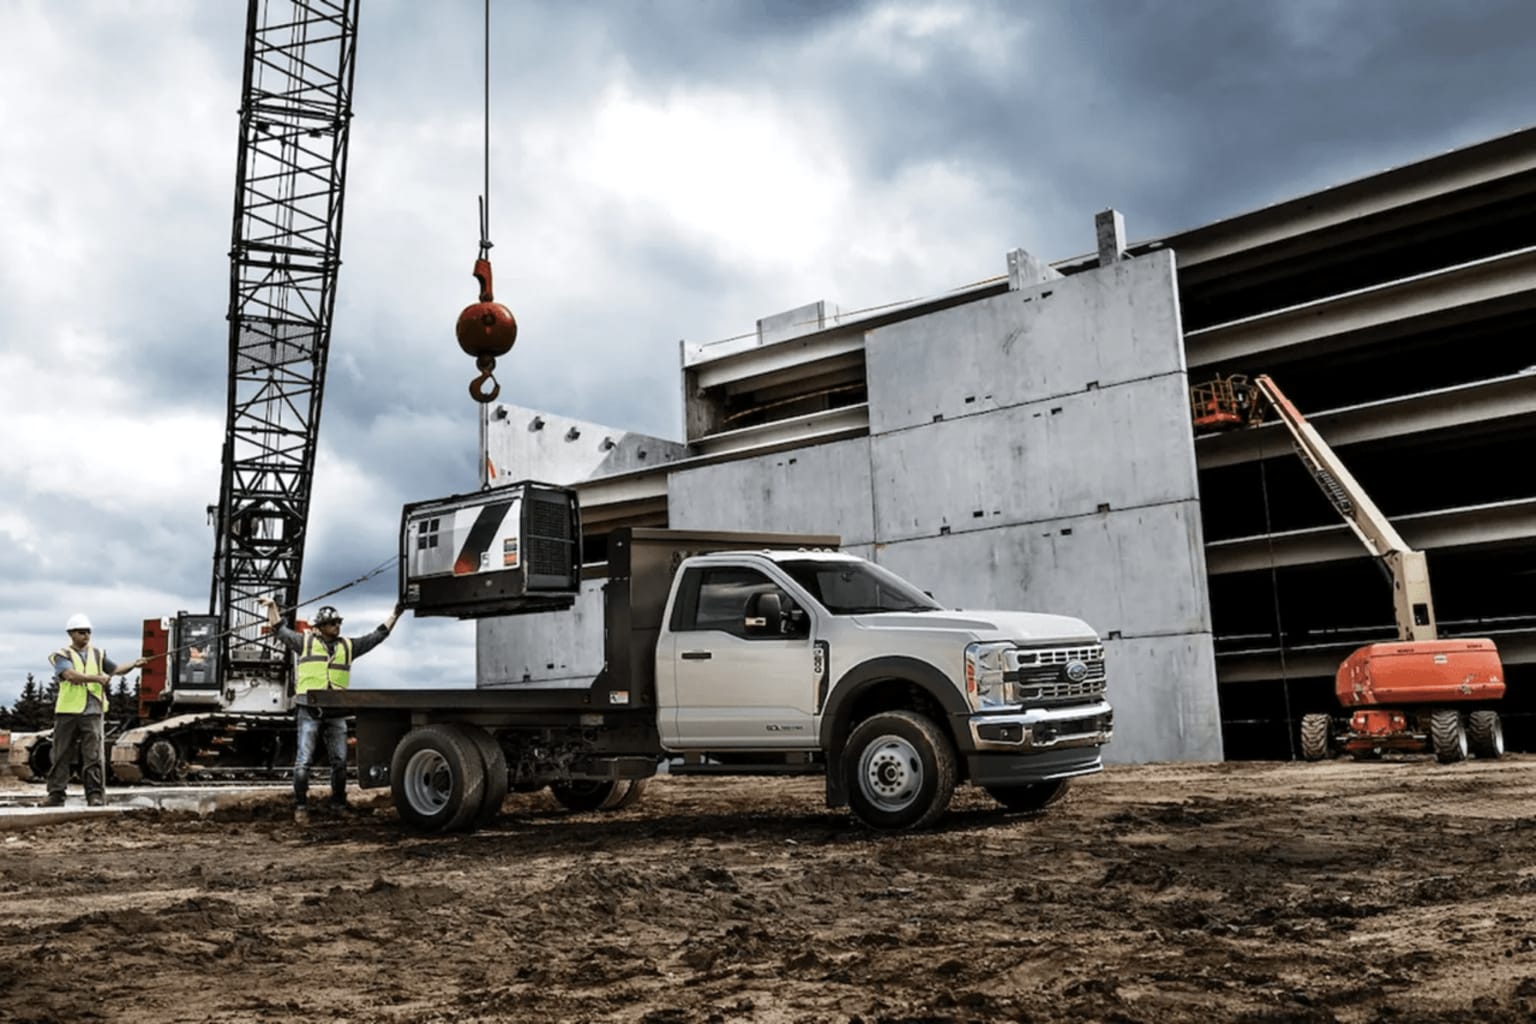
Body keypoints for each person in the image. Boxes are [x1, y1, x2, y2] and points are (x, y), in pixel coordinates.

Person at [259, 596, 401, 824]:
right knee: (303, 761)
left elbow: (376, 637)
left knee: (340, 762)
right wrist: (272, 608)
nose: (337, 626)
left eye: (338, 622)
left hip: (336, 711)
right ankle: (301, 806)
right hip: (309, 709)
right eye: (333, 623)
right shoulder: (303, 642)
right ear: (321, 627)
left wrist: (395, 615)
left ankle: (338, 803)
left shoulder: (348, 646)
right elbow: (279, 630)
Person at [40, 613, 145, 808]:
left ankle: (95, 796)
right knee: (61, 754)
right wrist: (97, 678)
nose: (86, 635)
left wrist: (134, 664)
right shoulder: (62, 655)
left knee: (93, 756)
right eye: (82, 632)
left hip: (93, 711)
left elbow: (116, 669)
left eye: (88, 632)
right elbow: (70, 675)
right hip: (68, 712)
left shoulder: (98, 654)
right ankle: (56, 795)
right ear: (71, 634)